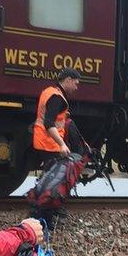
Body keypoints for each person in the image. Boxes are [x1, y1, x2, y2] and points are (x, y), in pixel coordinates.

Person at [31, 68, 87, 225]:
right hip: (50, 145)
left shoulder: (49, 91)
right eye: (76, 83)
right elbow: (49, 123)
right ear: (68, 80)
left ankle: (43, 212)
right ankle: (44, 217)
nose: (77, 87)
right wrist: (62, 144)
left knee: (48, 179)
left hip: (42, 141)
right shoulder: (57, 97)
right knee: (53, 183)